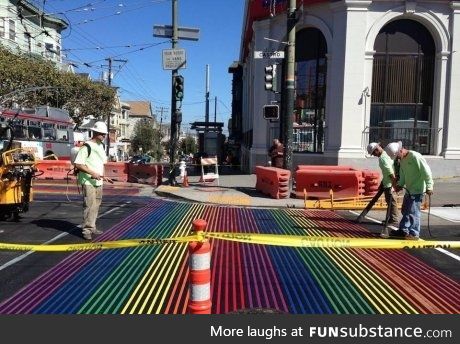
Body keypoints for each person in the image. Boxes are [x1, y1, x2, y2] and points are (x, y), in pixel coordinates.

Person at [384, 141, 434, 240]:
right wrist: (400, 185)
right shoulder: (402, 160)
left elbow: (426, 172)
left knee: (413, 211)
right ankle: (403, 230)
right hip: (409, 189)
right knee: (405, 210)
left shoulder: (416, 157)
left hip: (417, 190)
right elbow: (403, 174)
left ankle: (414, 233)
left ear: (401, 150)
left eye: (397, 156)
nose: (397, 159)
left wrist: (429, 186)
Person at [74, 121, 113, 240]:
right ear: (95, 133)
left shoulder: (101, 146)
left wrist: (103, 175)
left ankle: (92, 226)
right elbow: (78, 164)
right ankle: (87, 229)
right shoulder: (87, 147)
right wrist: (93, 173)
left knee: (96, 205)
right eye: (102, 134)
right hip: (88, 181)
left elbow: (102, 163)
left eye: (104, 134)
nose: (104, 136)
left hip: (98, 181)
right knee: (89, 205)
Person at [367, 142, 398, 238]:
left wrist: (394, 184)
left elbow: (390, 172)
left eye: (374, 153)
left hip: (389, 184)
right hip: (387, 182)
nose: (374, 155)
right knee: (389, 201)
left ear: (377, 149)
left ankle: (393, 220)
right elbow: (387, 171)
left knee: (391, 202)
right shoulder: (386, 155)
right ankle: (391, 219)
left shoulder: (383, 158)